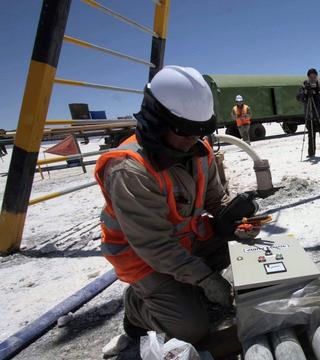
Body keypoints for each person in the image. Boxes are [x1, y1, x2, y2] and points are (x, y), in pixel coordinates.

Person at [94, 66, 258, 353]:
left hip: (183, 246)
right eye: (184, 132)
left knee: (240, 248)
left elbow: (215, 203)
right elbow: (154, 245)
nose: (191, 141)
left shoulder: (198, 150)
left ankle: (183, 289)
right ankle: (136, 308)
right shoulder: (129, 169)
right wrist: (206, 279)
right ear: (156, 120)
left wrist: (235, 221)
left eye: (199, 132)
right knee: (191, 328)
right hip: (143, 258)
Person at [297, 68, 320, 158]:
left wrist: (316, 92)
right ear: (308, 77)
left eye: (314, 76)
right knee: (310, 135)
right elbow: (299, 98)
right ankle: (311, 153)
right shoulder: (304, 87)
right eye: (310, 76)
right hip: (310, 115)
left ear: (317, 76)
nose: (312, 78)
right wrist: (306, 93)